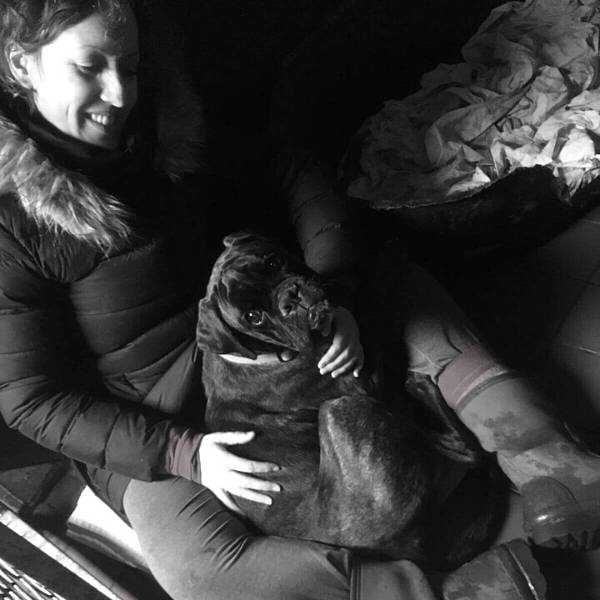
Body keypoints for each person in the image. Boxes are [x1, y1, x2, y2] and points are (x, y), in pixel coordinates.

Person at [0, 1, 593, 599]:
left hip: (280, 310)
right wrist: (185, 454)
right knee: (202, 572)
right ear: (23, 66)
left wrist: (336, 293)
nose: (119, 92)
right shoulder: (10, 219)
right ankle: (458, 591)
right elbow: (29, 398)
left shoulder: (174, 108)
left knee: (399, 286)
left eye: (128, 64)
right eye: (89, 66)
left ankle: (551, 464)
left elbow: (294, 171)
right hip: (162, 408)